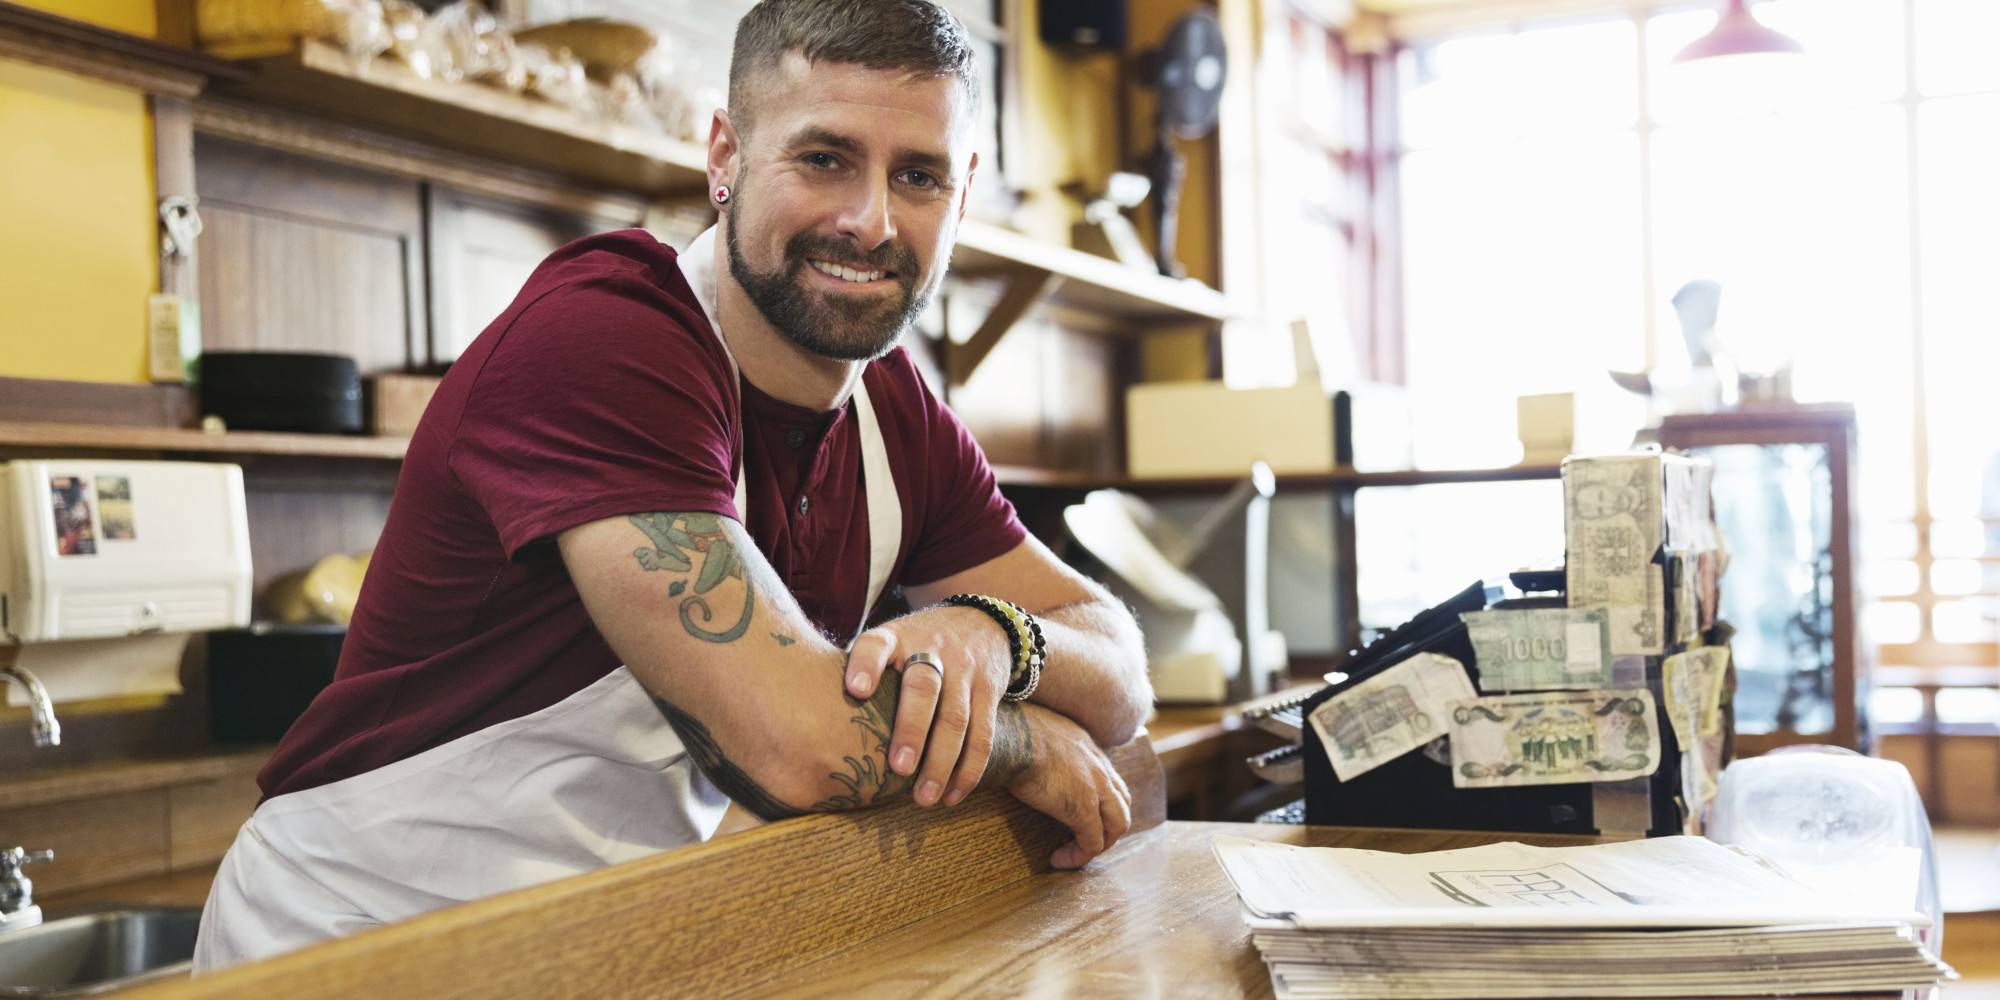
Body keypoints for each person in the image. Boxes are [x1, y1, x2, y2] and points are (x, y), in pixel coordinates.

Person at [193, 0, 1151, 971]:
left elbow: (1120, 679)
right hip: (355, 947)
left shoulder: (893, 409)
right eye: (823, 158)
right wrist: (1022, 740)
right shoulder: (610, 338)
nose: (869, 221)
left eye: (918, 175)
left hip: (594, 940)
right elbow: (802, 745)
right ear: (724, 155)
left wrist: (996, 637)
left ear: (963, 191)